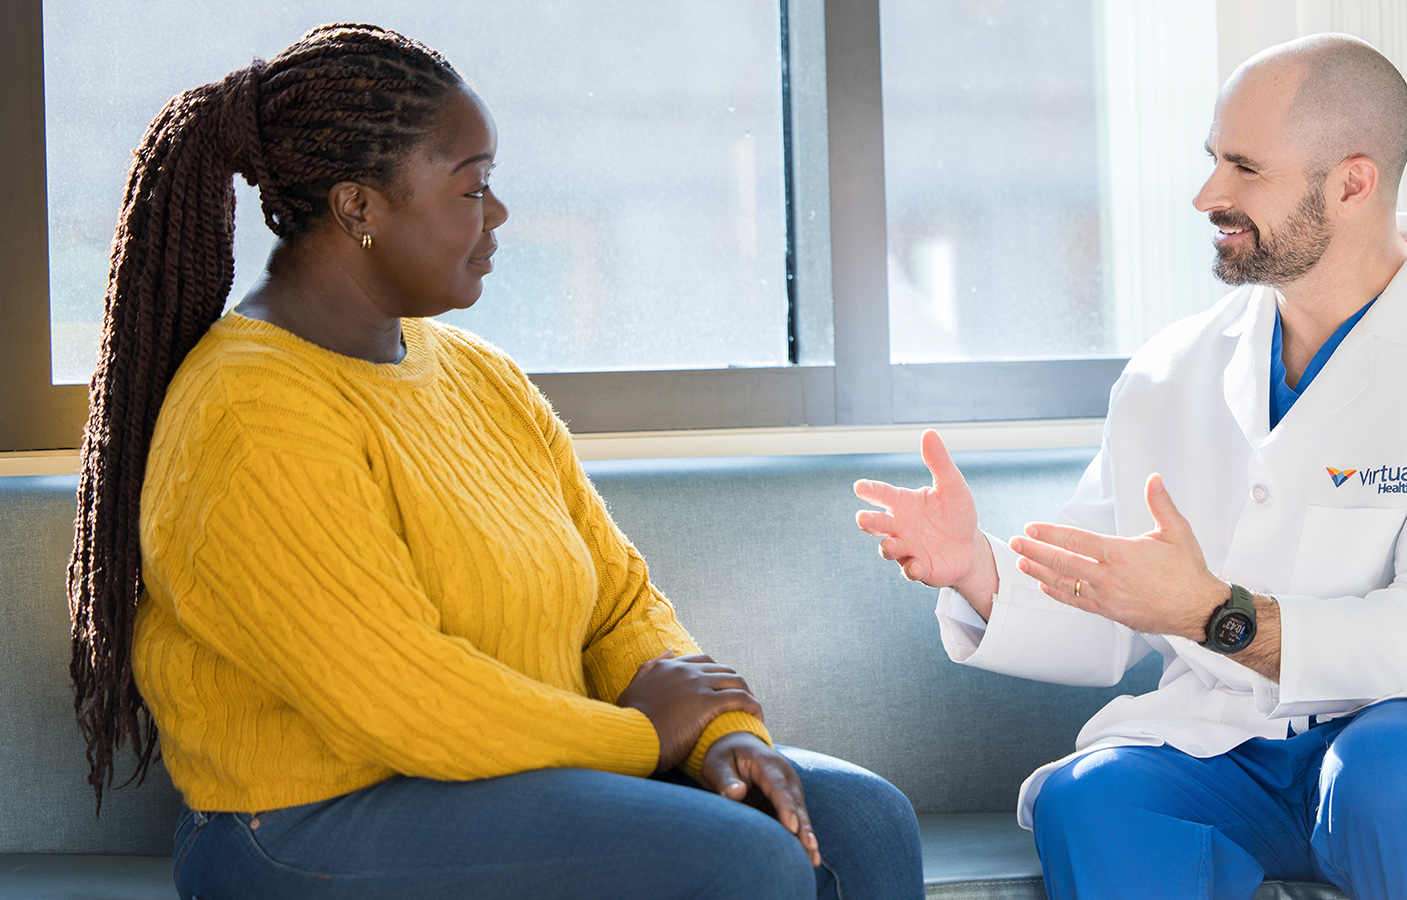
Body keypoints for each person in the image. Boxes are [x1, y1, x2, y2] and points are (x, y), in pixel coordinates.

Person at [66, 24, 922, 900]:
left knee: (862, 821)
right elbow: (407, 697)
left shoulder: (480, 376)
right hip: (302, 817)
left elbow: (617, 600)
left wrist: (718, 737)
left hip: (518, 771)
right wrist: (643, 738)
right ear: (358, 207)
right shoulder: (249, 412)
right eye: (472, 187)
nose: (499, 214)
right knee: (742, 857)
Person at [855, 33, 1407, 900]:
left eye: (1245, 169)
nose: (1208, 194)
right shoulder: (1172, 371)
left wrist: (1217, 617)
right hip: (1221, 744)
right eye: (1212, 160)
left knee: (1388, 781)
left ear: (1353, 183)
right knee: (1092, 799)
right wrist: (977, 571)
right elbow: (1116, 604)